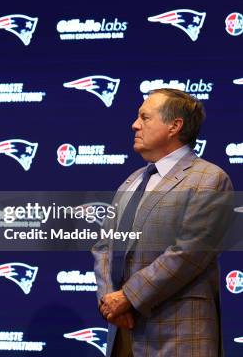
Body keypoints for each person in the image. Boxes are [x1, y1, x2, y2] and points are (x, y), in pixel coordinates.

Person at [92, 89, 233, 356]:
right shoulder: (131, 181)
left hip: (177, 334)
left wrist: (127, 297)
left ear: (174, 126)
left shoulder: (209, 179)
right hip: (123, 332)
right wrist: (108, 301)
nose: (135, 125)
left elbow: (190, 252)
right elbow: (104, 246)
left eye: (145, 117)